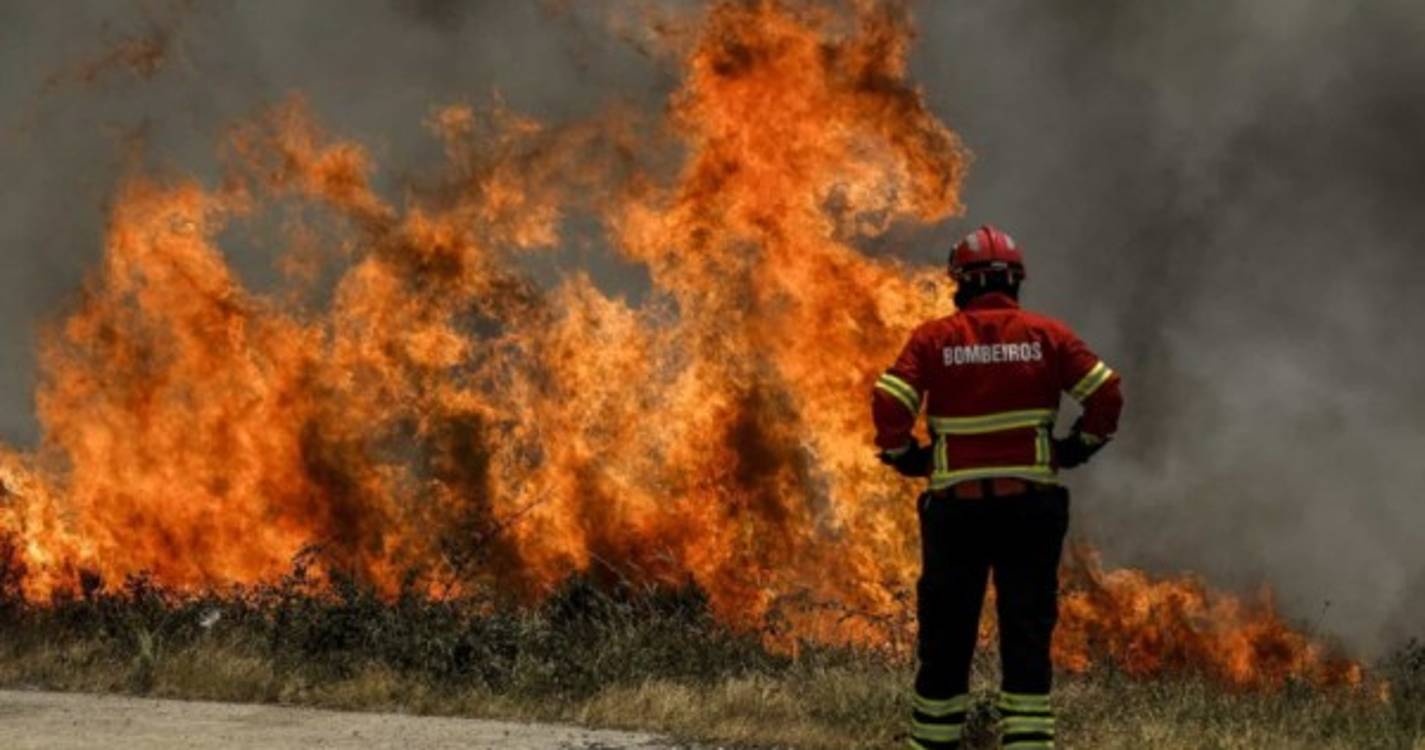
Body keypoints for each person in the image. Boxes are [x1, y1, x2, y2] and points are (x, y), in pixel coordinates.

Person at [871, 225, 1123, 750]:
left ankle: (935, 742)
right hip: (1030, 510)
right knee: (1026, 631)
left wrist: (902, 453)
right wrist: (1077, 446)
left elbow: (891, 398)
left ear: (960, 282)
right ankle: (1026, 743)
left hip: (956, 515)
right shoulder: (1047, 336)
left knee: (946, 635)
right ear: (1016, 281)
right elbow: (1105, 391)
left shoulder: (935, 338)